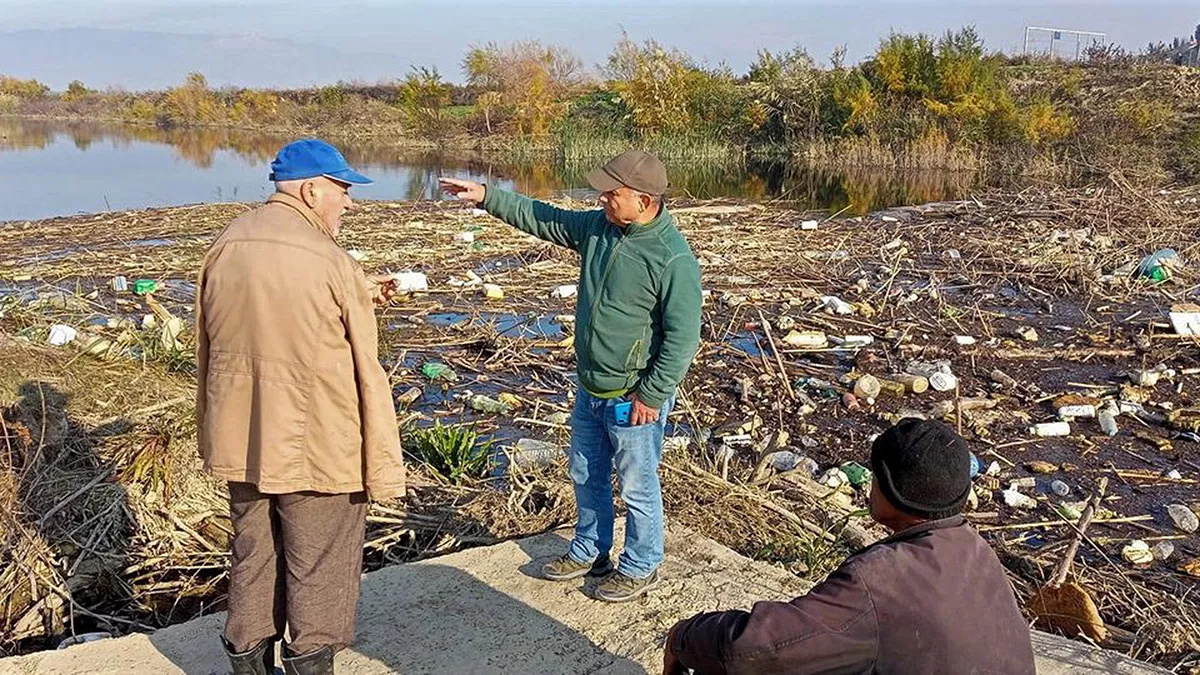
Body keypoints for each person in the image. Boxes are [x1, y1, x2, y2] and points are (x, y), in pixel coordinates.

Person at [440, 150, 702, 603]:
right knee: (585, 473)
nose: (602, 198)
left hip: (634, 396)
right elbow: (544, 217)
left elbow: (682, 338)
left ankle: (641, 565)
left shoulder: (672, 258)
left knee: (638, 487)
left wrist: (652, 394)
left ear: (643, 200)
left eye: (612, 192)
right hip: (591, 387)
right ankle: (590, 551)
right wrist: (486, 196)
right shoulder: (600, 229)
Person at [196, 139, 405, 675]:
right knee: (320, 563)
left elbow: (213, 344)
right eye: (343, 188)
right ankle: (310, 661)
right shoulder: (327, 258)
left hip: (241, 436)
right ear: (312, 189)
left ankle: (248, 660)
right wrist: (378, 456)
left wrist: (362, 292)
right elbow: (364, 367)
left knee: (253, 553)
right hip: (316, 444)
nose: (349, 201)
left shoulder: (227, 243)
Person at [663, 418, 1036, 674]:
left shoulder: (880, 580)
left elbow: (753, 649)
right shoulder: (976, 551)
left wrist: (682, 635)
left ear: (891, 489)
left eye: (875, 476)